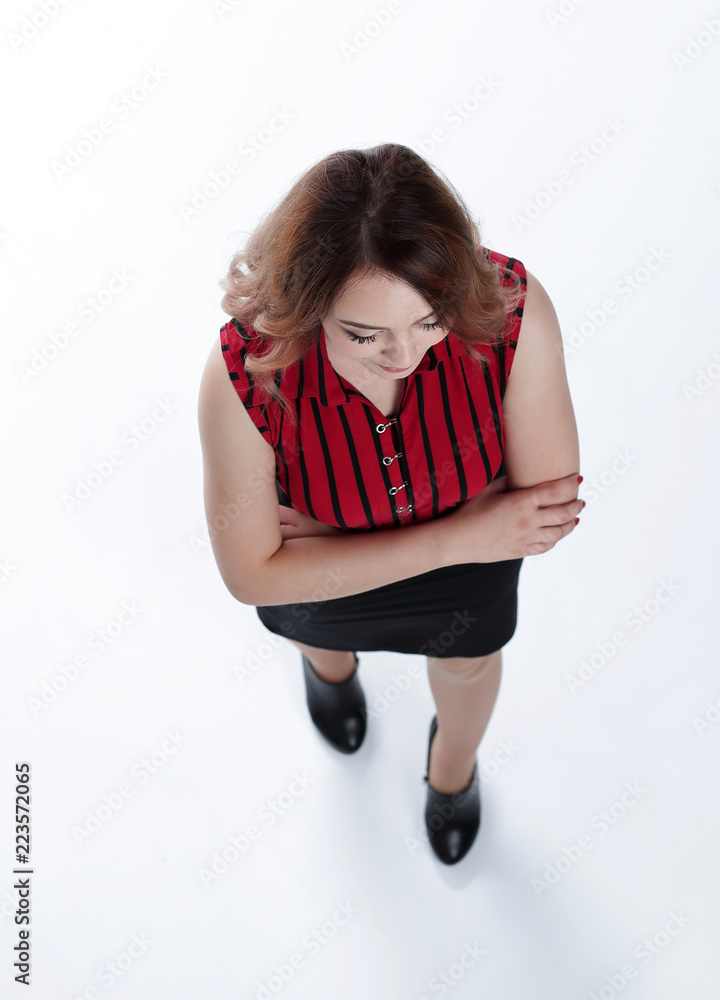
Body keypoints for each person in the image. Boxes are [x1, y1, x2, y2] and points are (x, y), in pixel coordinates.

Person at [197, 142, 582, 865]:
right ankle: (331, 673)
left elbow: (545, 509)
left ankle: (451, 776)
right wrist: (463, 529)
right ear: (310, 308)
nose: (405, 356)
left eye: (430, 322)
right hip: (450, 548)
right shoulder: (245, 369)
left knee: (468, 664)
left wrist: (334, 533)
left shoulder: (510, 305)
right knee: (320, 633)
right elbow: (252, 577)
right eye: (363, 335)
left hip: (365, 552)